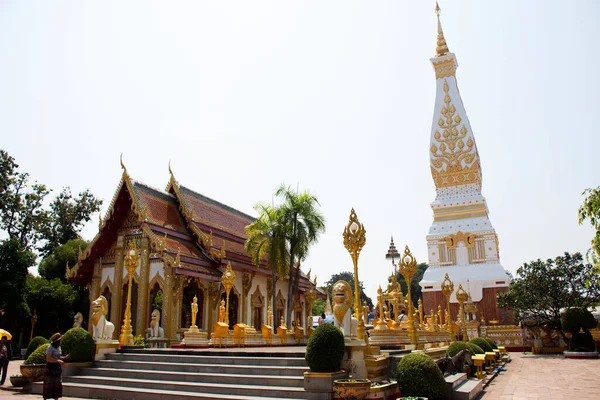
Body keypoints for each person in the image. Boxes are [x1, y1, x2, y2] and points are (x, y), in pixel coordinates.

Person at [44, 332, 70, 400]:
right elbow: (48, 358)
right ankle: (46, 397)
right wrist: (58, 361)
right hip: (50, 367)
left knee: (57, 384)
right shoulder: (50, 348)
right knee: (49, 383)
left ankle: (56, 398)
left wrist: (64, 358)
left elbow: (57, 357)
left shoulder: (59, 347)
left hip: (57, 368)